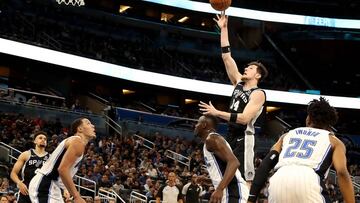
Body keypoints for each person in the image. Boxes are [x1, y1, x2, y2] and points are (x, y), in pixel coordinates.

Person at [199, 13, 268, 182]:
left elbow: (244, 119)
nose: (246, 69)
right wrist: (223, 29)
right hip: (230, 134)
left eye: (250, 68)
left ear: (257, 76)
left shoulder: (259, 94)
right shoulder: (238, 82)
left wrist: (217, 112)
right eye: (246, 67)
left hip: (245, 138)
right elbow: (226, 56)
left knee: (245, 180)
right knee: (229, 177)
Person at [248, 97, 355, 203]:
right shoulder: (334, 141)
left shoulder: (286, 135)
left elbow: (265, 165)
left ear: (308, 118)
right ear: (329, 124)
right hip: (309, 179)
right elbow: (341, 171)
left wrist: (251, 198)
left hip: (279, 180)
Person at [29, 118, 96, 203]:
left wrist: (65, 188)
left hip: (52, 185)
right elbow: (62, 169)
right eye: (88, 123)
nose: (93, 126)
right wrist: (76, 196)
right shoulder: (77, 142)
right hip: (46, 183)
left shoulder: (76, 142)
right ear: (80, 129)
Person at [194, 115, 249, 203]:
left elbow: (234, 162)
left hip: (233, 192)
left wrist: (219, 189)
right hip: (229, 191)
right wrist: (209, 180)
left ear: (204, 125)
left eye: (198, 123)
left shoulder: (212, 139)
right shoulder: (210, 142)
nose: (195, 126)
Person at [10, 131, 49, 203]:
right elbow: (13, 173)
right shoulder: (26, 154)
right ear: (35, 141)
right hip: (26, 190)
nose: (43, 140)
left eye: (45, 139)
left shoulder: (50, 157)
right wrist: (19, 183)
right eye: (40, 138)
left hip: (43, 192)